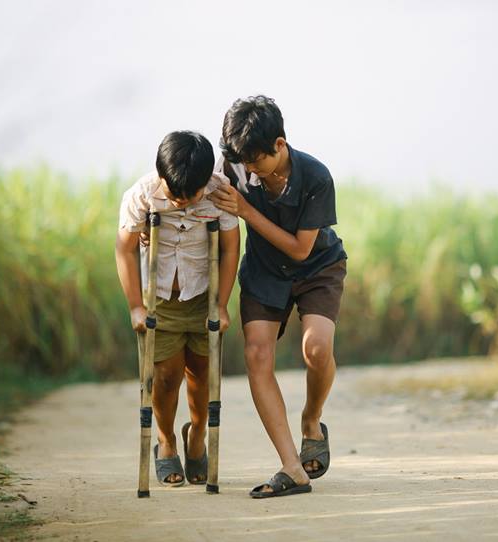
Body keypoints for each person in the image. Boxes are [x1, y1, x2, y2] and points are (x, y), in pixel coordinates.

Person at [210, 96, 347, 498]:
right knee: (256, 354)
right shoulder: (233, 165)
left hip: (316, 267)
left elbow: (301, 250)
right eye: (243, 162)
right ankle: (292, 467)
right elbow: (194, 196)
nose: (249, 169)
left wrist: (246, 211)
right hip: (264, 271)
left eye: (256, 161)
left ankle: (311, 420)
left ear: (280, 145)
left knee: (317, 349)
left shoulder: (316, 177)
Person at [115, 130, 239, 486]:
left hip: (202, 297)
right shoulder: (142, 196)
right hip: (162, 301)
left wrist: (222, 305)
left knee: (202, 374)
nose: (183, 201)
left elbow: (231, 248)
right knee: (166, 376)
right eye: (175, 195)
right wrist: (135, 307)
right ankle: (166, 441)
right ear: (161, 175)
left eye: (192, 195)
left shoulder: (218, 192)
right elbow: (124, 249)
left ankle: (196, 436)